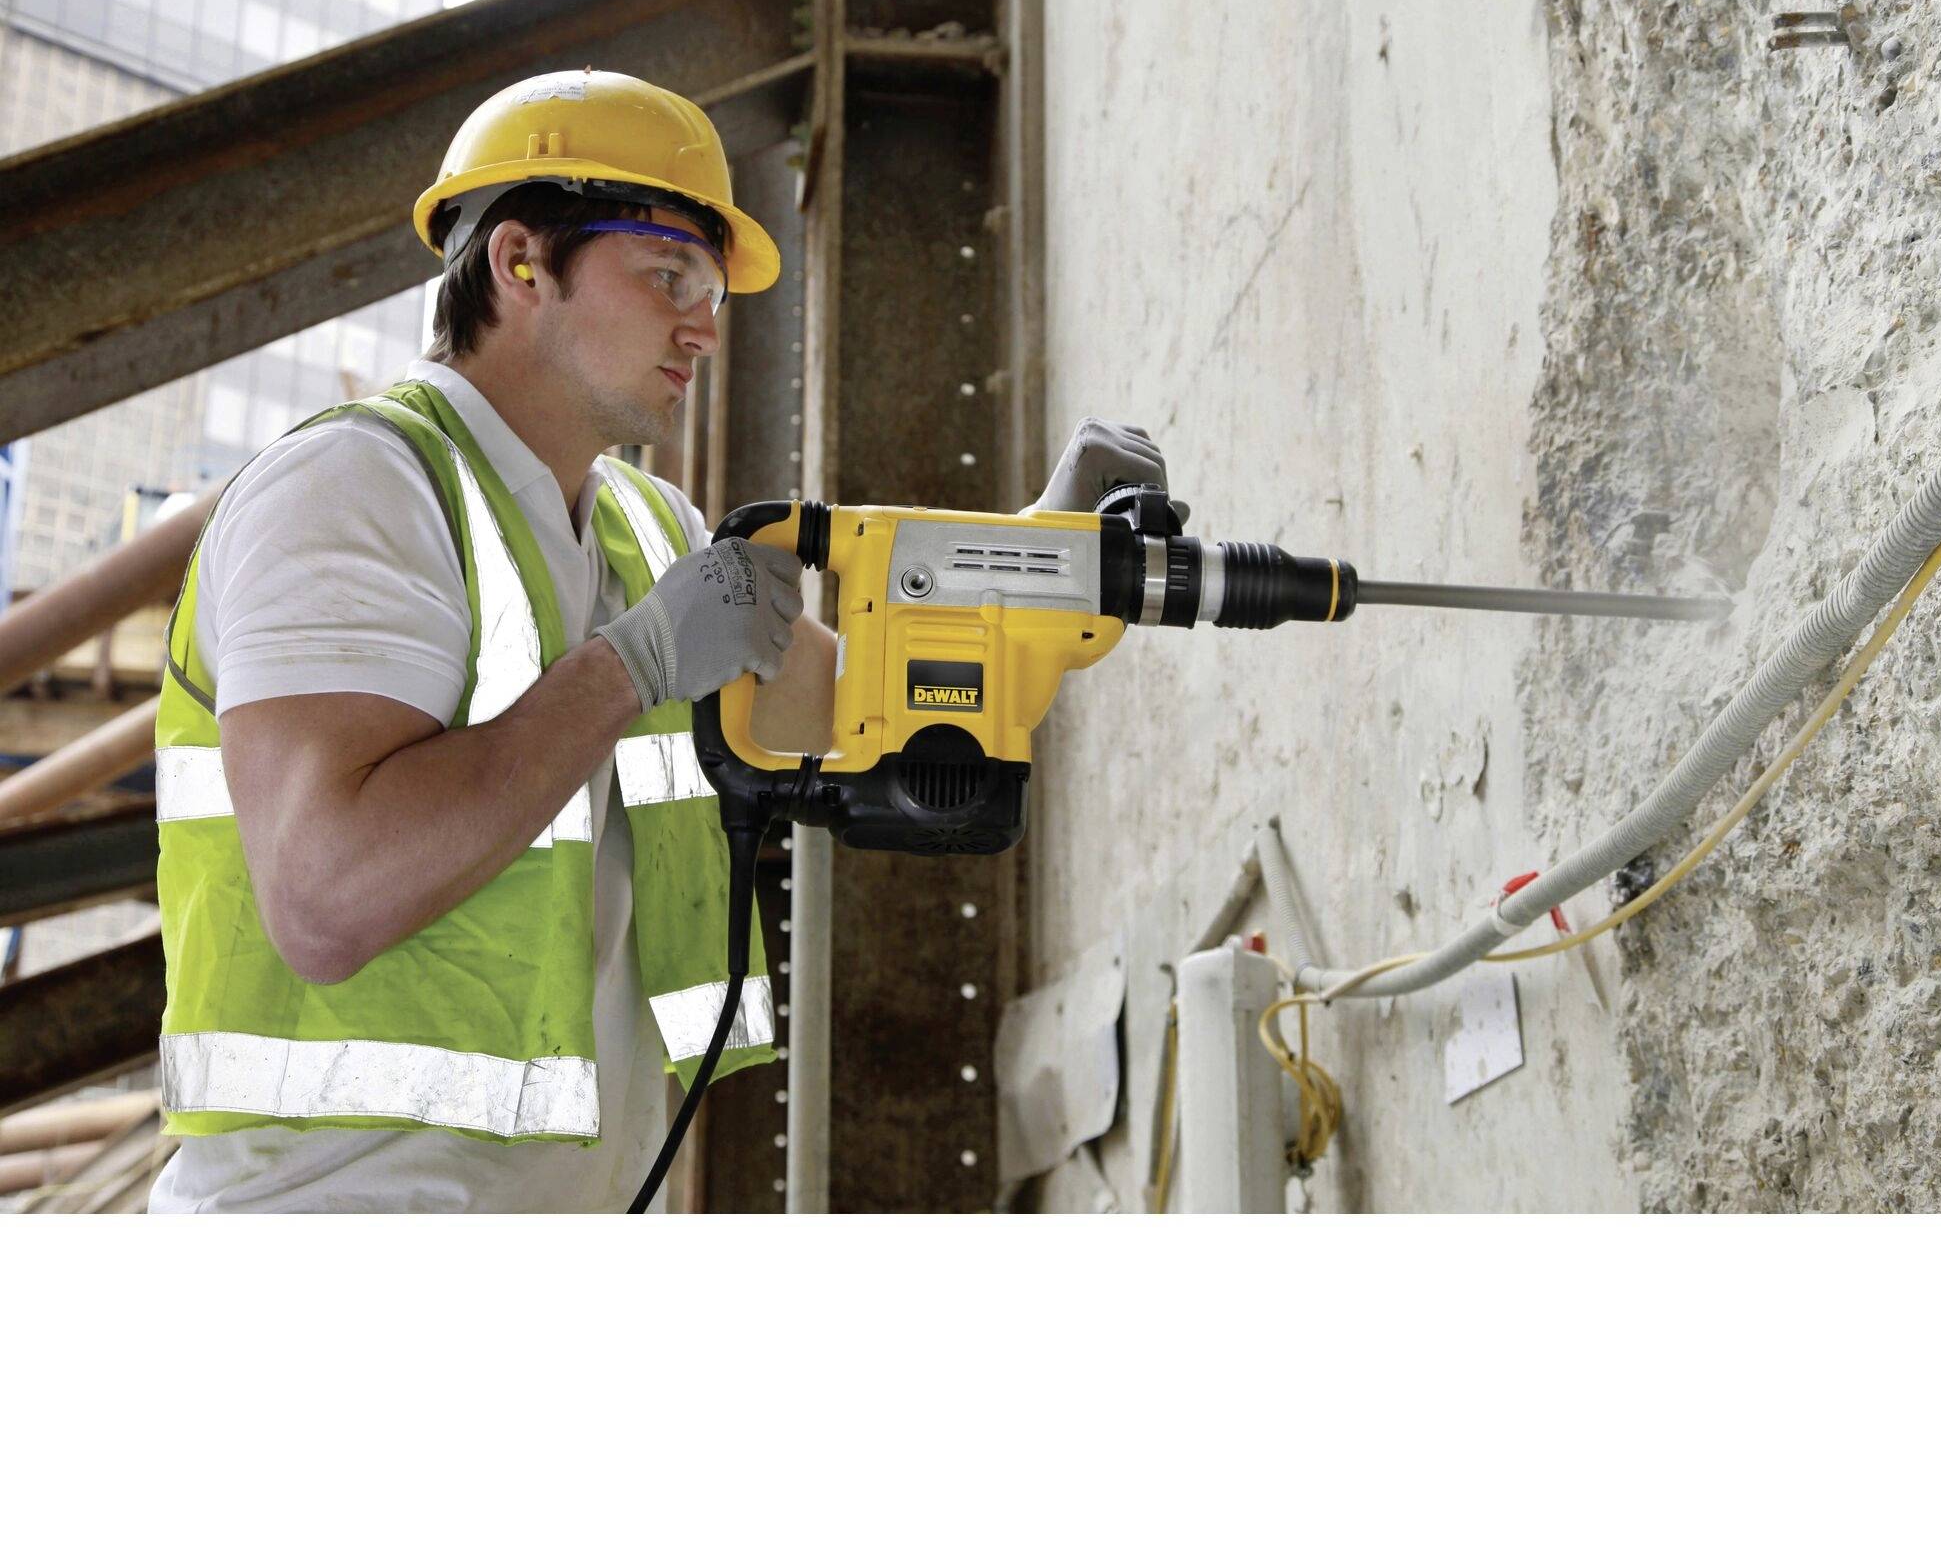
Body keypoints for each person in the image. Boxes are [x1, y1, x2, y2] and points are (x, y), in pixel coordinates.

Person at [148, 69, 1175, 1213]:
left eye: (714, 292)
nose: (704, 324)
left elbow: (861, 710)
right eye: (668, 274)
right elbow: (326, 897)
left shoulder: (652, 532)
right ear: (520, 261)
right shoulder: (356, 486)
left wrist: (1043, 568)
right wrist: (627, 668)